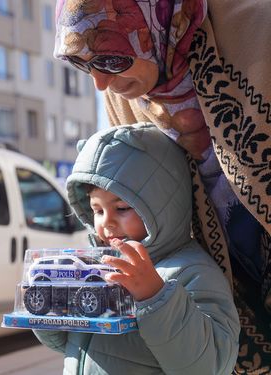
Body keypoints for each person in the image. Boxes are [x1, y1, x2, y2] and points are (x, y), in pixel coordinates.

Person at [53, 0, 271, 370]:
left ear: (157, 22)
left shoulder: (258, 33)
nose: (100, 82)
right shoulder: (121, 91)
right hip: (220, 272)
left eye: (111, 60)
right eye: (81, 63)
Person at [34, 123, 240, 374]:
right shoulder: (97, 267)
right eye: (97, 210)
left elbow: (211, 365)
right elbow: (69, 345)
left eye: (121, 208)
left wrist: (156, 297)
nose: (106, 222)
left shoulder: (192, 272)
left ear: (162, 204)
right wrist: (48, 308)